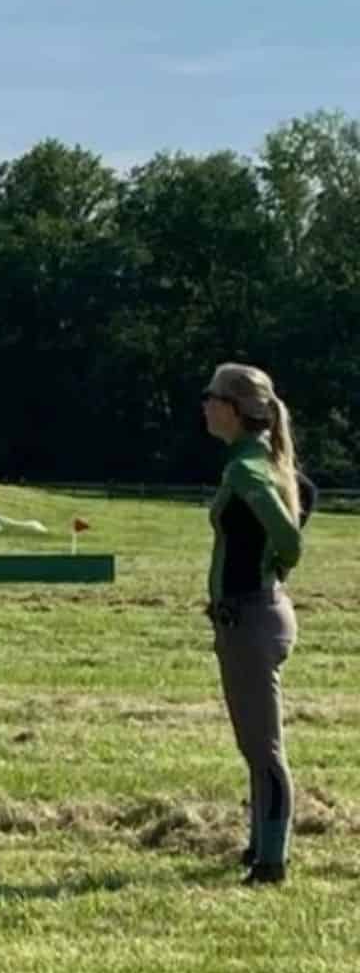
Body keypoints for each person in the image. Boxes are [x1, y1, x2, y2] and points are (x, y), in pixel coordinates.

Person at [201, 362, 314, 887]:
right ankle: (258, 847)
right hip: (255, 614)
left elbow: (288, 535)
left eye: (211, 395)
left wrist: (277, 563)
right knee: (254, 745)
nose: (204, 404)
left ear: (234, 408)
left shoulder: (246, 470)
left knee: (265, 748)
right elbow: (305, 493)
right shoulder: (256, 463)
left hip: (251, 617)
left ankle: (272, 862)